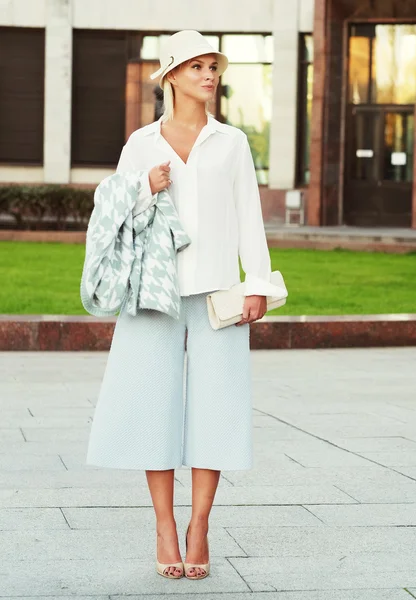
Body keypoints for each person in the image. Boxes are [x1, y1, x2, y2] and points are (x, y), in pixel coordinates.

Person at [85, 30, 282, 581]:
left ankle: (199, 525)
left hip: (220, 289)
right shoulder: (141, 143)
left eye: (212, 66)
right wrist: (145, 186)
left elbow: (249, 216)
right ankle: (164, 526)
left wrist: (258, 282)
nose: (209, 75)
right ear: (172, 76)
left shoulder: (234, 142)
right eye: (196, 67)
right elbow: (110, 214)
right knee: (154, 407)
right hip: (154, 293)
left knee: (217, 409)